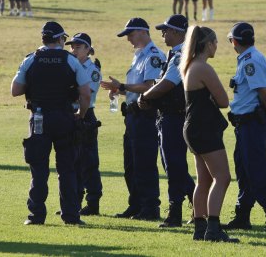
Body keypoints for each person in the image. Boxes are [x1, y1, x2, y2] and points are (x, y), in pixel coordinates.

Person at [11, 21, 91, 226]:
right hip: (65, 118)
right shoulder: (71, 61)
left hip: (39, 118)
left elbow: (16, 90)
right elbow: (85, 93)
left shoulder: (31, 60)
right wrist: (80, 114)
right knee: (67, 170)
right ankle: (71, 216)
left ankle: (36, 215)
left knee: (39, 170)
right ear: (59, 39)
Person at [100, 18, 165, 220]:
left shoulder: (153, 56)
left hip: (145, 116)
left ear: (143, 32)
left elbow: (149, 86)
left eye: (130, 34)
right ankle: (136, 205)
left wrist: (123, 87)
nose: (128, 39)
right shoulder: (139, 56)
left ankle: (150, 207)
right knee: (131, 165)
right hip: (132, 116)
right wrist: (119, 91)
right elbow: (136, 87)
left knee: (144, 163)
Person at [180, 26, 238, 243]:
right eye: (215, 43)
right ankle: (213, 228)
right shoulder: (203, 68)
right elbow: (224, 101)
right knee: (222, 177)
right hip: (204, 128)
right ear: (207, 44)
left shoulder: (189, 66)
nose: (217, 47)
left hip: (193, 128)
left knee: (203, 180)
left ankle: (200, 227)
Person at [138, 15, 195, 228]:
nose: (163, 34)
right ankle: (196, 203)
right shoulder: (175, 54)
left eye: (167, 30)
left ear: (179, 32)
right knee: (173, 164)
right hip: (169, 116)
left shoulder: (180, 55)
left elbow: (167, 84)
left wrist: (145, 97)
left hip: (175, 117)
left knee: (174, 165)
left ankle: (175, 213)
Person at [224, 22, 266, 232]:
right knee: (244, 170)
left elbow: (263, 93)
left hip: (252, 124)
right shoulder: (249, 59)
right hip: (244, 124)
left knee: (256, 169)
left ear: (235, 41)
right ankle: (243, 215)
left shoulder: (251, 61)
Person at [65, 33, 103, 216]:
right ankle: (75, 201)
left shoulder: (92, 70)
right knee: (73, 161)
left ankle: (93, 202)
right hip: (72, 114)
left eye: (78, 47)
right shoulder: (70, 66)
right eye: (72, 47)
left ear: (88, 49)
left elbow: (85, 94)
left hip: (86, 114)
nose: (73, 50)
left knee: (89, 161)